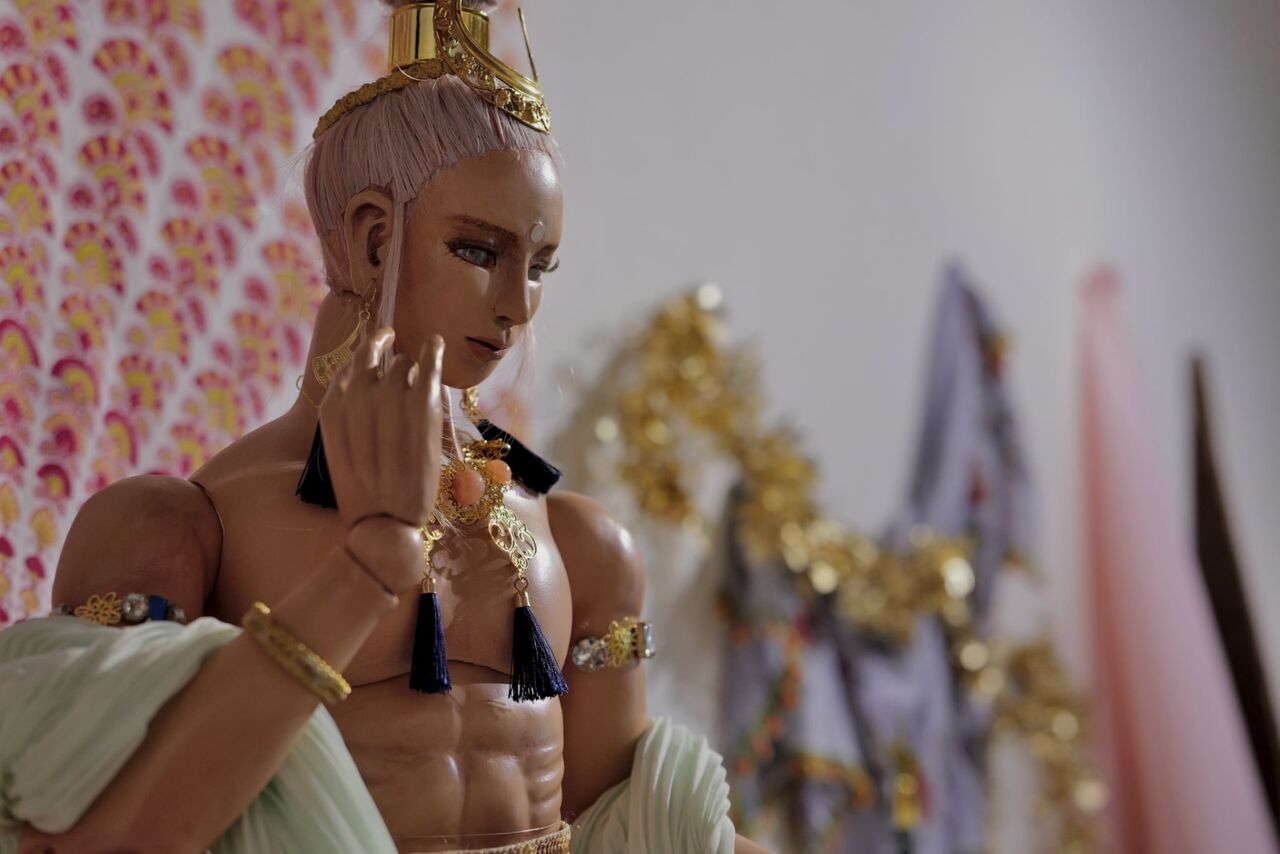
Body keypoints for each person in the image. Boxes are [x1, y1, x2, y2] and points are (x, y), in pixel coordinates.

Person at [0, 2, 770, 852]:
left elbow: (624, 830)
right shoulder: (180, 531)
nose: (517, 307)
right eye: (479, 251)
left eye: (540, 267)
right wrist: (368, 565)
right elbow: (100, 841)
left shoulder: (584, 548)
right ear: (373, 239)